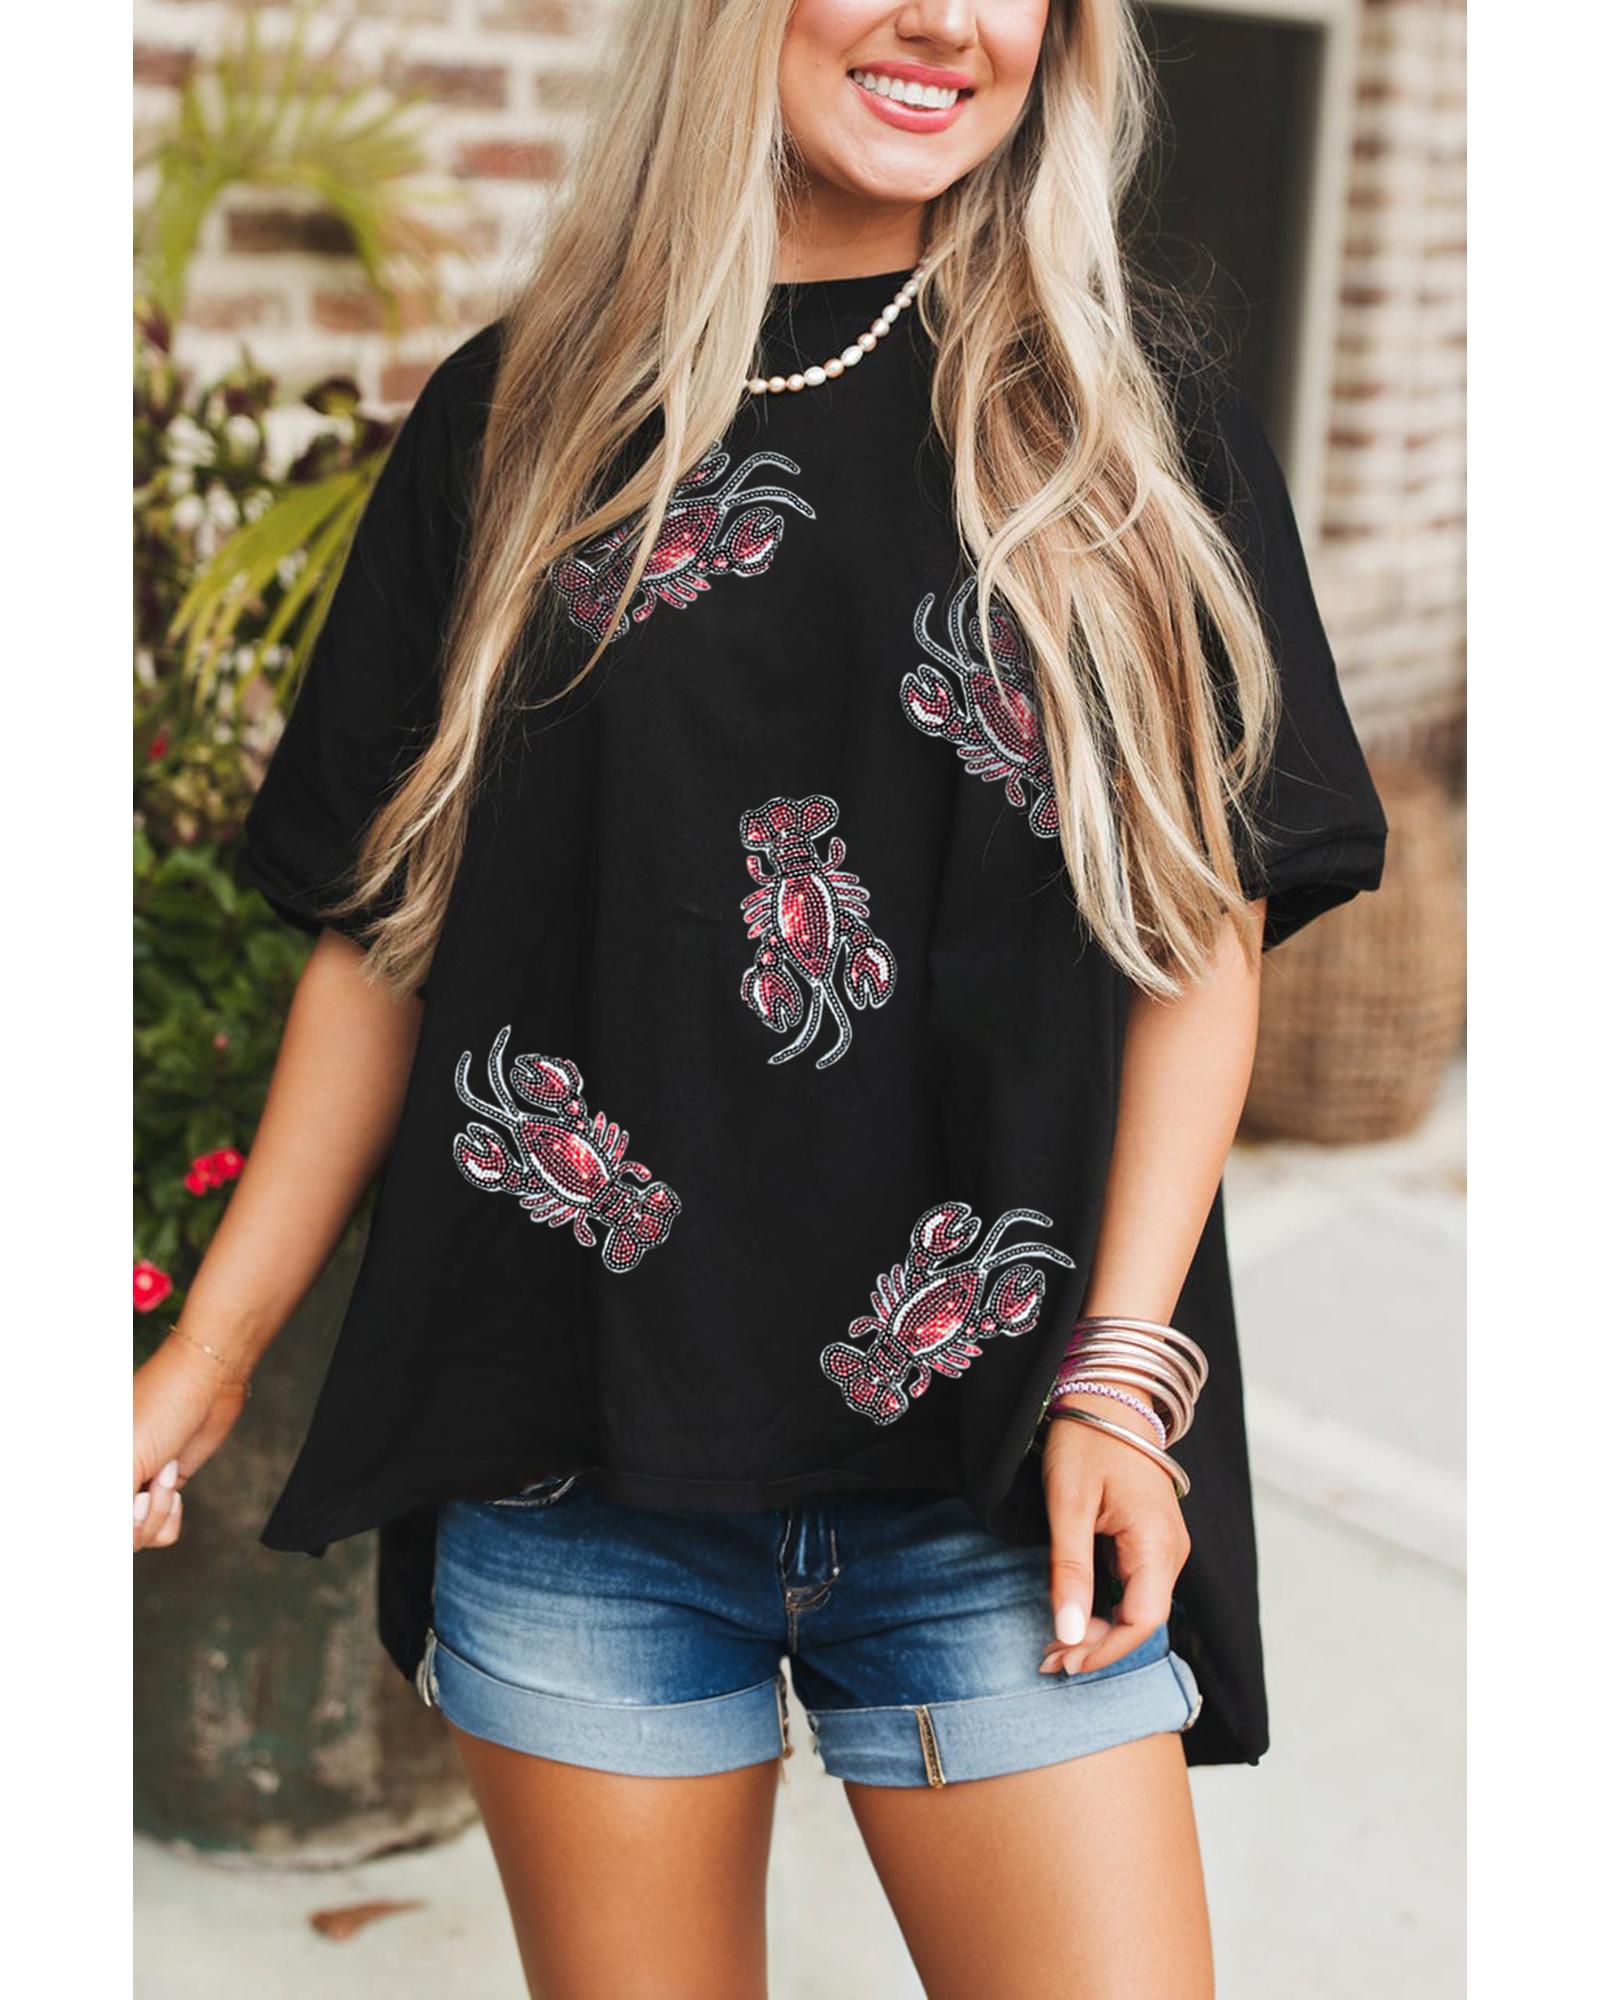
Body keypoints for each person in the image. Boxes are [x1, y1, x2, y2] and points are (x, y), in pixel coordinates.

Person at [133, 2, 1387, 1992]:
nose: (943, 20)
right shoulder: (518, 419)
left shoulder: (1128, 427)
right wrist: (206, 1359)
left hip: (996, 1466)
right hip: (571, 1463)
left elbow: (1196, 938)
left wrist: (1119, 1379)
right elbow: (385, 938)